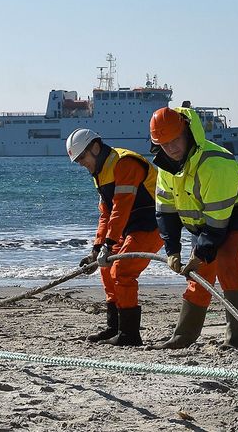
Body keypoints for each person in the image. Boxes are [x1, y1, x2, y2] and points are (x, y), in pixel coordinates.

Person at [149, 106, 238, 349]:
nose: (171, 148)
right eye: (164, 143)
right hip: (203, 223)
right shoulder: (166, 167)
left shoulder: (216, 164)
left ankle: (234, 339)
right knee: (199, 274)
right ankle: (183, 336)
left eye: (175, 139)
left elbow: (218, 224)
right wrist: (172, 250)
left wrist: (200, 253)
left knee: (226, 260)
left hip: (236, 216)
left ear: (187, 132)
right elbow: (165, 211)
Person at [66, 128, 164, 346]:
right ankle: (115, 327)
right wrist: (97, 248)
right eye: (78, 160)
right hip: (130, 226)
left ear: (95, 148)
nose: (81, 163)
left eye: (82, 157)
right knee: (106, 268)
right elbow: (106, 214)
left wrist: (108, 244)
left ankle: (130, 335)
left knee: (123, 270)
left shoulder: (125, 163)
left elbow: (122, 206)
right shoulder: (101, 173)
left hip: (152, 224)